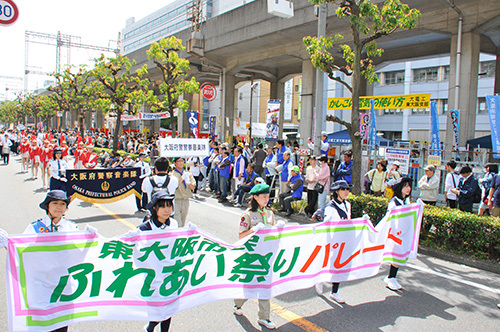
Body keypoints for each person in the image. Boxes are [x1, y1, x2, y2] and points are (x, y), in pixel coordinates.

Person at [233, 183, 284, 330]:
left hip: (266, 255)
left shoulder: (269, 213)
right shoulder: (247, 215)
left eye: (268, 197)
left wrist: (278, 228)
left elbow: (272, 234)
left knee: (265, 286)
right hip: (252, 256)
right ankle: (237, 303)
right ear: (255, 197)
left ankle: (264, 317)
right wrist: (254, 230)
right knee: (250, 284)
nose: (266, 199)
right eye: (263, 197)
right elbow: (241, 235)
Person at [139, 191, 178, 332]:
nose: (167, 210)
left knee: (168, 307)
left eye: (169, 206)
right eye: (163, 206)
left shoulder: (174, 223)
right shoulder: (145, 228)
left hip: (169, 272)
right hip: (153, 275)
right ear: (155, 208)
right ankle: (150, 327)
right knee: (156, 307)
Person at [315, 180, 352, 303]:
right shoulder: (331, 207)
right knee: (329, 263)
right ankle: (320, 279)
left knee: (339, 265)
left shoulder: (348, 205)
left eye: (347, 189)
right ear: (337, 192)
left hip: (343, 239)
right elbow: (327, 223)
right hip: (332, 240)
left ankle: (334, 291)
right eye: (343, 189)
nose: (346, 192)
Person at [384, 177, 413, 290]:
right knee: (396, 256)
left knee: (400, 256)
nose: (408, 189)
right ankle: (391, 277)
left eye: (409, 186)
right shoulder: (394, 201)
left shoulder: (406, 201)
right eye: (405, 186)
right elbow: (390, 218)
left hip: (402, 233)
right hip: (395, 233)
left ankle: (392, 277)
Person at [171, 157, 196, 227]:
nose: (181, 163)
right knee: (177, 222)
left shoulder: (188, 173)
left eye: (182, 161)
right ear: (175, 163)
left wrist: (188, 182)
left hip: (185, 200)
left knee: (183, 221)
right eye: (179, 161)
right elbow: (173, 187)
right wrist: (181, 179)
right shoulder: (172, 175)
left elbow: (193, 187)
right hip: (176, 199)